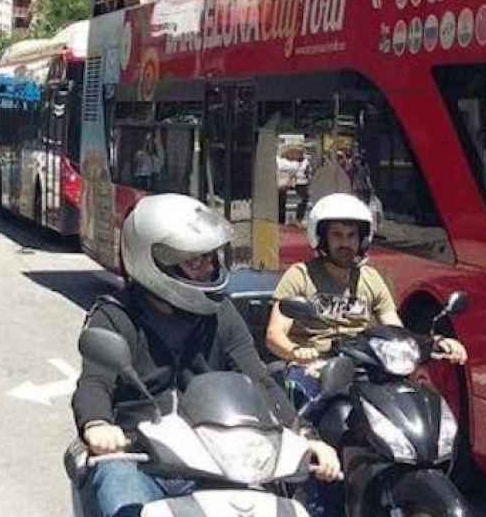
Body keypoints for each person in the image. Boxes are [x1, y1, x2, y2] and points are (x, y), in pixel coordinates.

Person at [71, 193, 341, 517]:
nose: (206, 268)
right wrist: (98, 424)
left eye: (209, 258)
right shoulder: (115, 316)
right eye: (193, 260)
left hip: (214, 459)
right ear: (152, 259)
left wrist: (304, 435)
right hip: (136, 459)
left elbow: (258, 378)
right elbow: (94, 382)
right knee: (122, 499)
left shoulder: (220, 313)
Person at [265, 193, 466, 407]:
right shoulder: (300, 276)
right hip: (313, 368)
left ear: (362, 240)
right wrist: (298, 352)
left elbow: (395, 330)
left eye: (351, 236)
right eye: (337, 235)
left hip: (363, 367)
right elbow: (274, 335)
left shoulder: (371, 279)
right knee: (304, 419)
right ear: (322, 238)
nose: (345, 243)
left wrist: (435, 343)